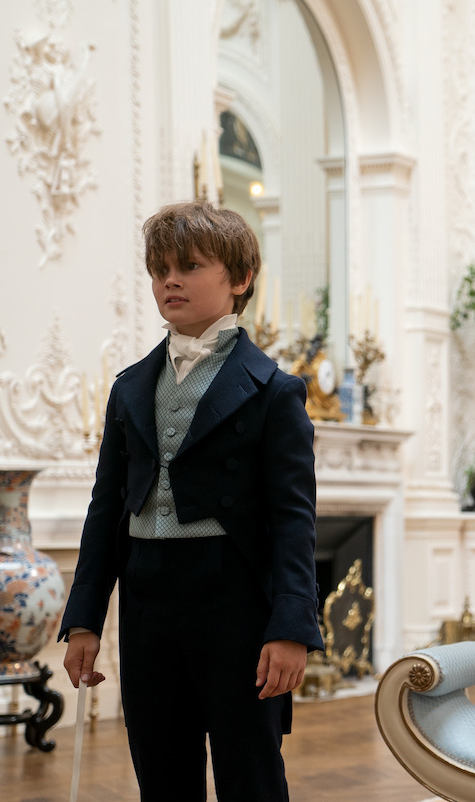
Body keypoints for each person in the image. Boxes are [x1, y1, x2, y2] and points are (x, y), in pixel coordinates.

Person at [58, 200, 322, 801]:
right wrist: (83, 619)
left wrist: (291, 628)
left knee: (249, 772)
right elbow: (106, 511)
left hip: (234, 599)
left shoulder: (275, 392)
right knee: (161, 770)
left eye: (190, 266)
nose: (169, 280)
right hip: (148, 596)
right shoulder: (130, 387)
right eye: (159, 270)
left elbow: (293, 520)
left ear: (240, 279)